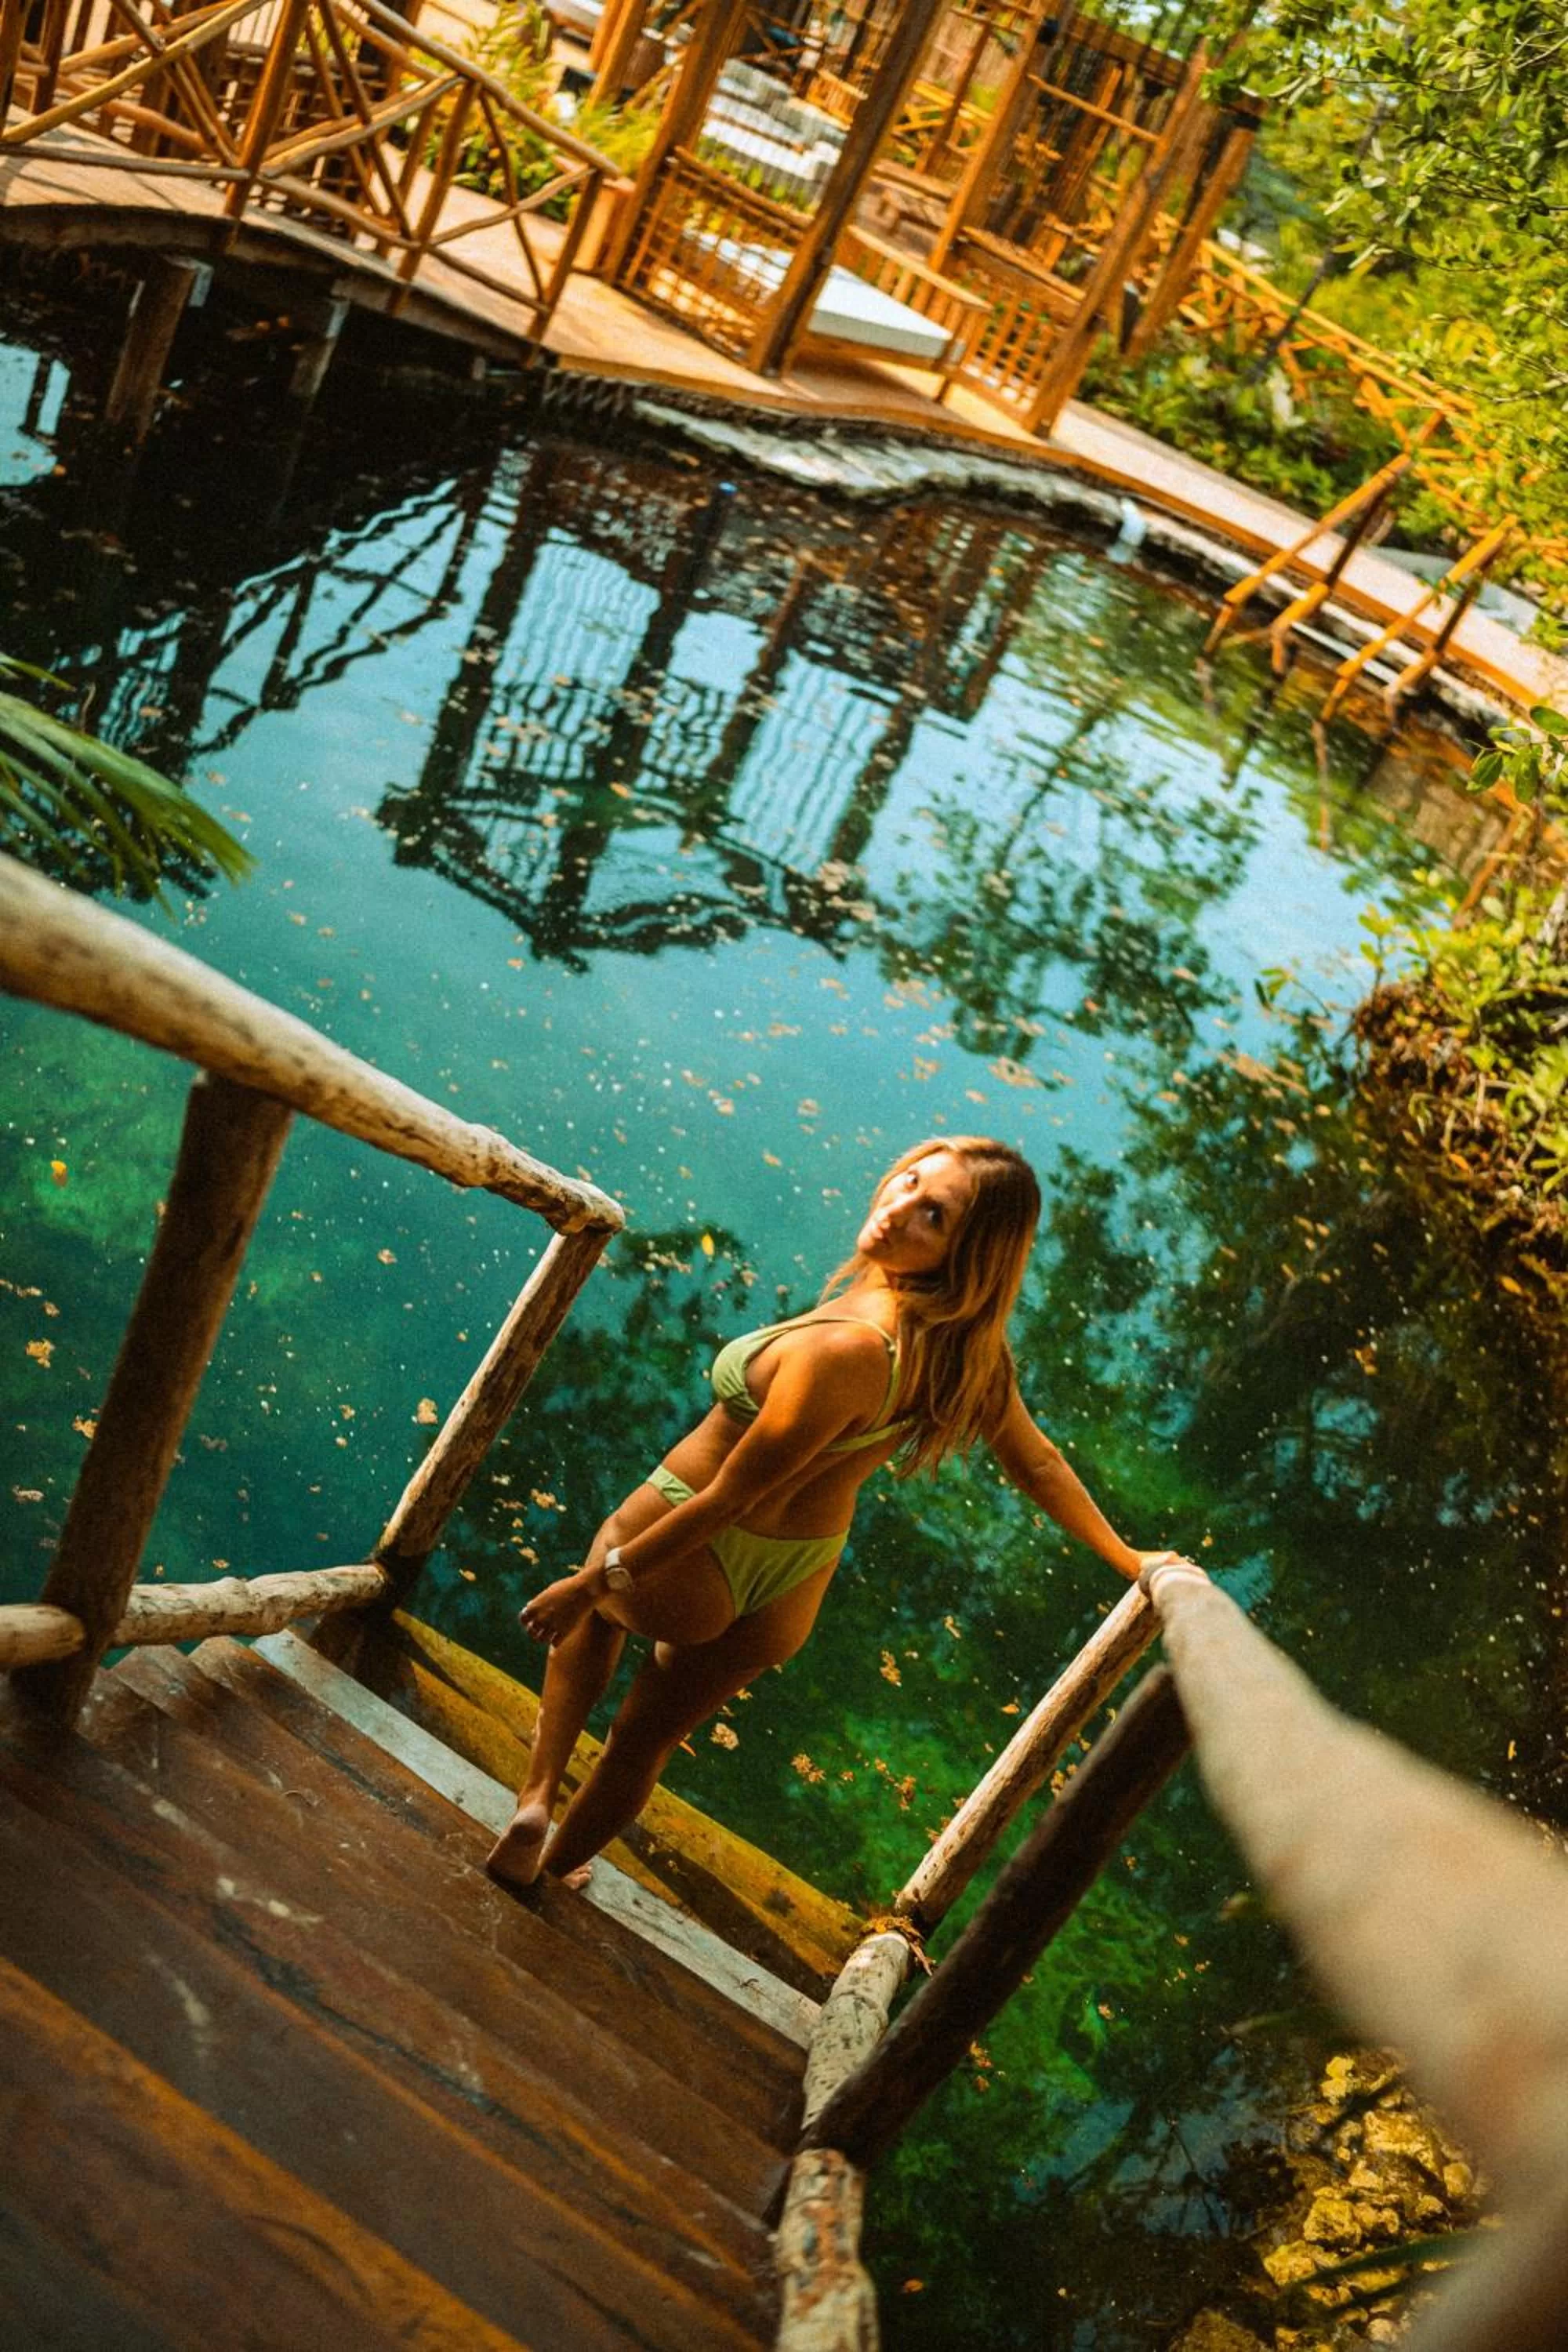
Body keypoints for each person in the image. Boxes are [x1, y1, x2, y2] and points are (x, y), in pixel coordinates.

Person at [485, 1134, 1178, 1891]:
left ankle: (537, 1800)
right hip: (792, 1585)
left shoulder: (847, 1350)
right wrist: (1131, 1559)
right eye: (909, 1184)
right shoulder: (966, 1353)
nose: (897, 1211)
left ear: (967, 1251)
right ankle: (551, 1872)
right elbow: (1038, 1462)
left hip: (693, 1546)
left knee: (592, 1620)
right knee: (642, 1742)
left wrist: (593, 1585)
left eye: (934, 1216)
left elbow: (729, 1499)